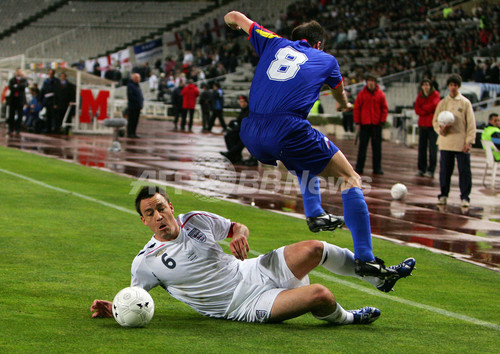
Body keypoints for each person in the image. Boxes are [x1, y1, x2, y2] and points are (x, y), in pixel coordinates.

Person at [224, 11, 406, 277]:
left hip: (251, 132)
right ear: (319, 44)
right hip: (287, 128)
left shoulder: (272, 41)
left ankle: (315, 213)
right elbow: (339, 92)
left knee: (301, 158)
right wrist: (345, 106)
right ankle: (366, 257)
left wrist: (230, 24)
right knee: (349, 177)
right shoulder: (326, 59)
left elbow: (235, 16)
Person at [90, 186, 415, 324]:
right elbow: (136, 299)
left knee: (316, 248)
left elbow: (237, 227)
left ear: (171, 207)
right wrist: (114, 308)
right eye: (150, 213)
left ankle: (376, 277)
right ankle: (349, 317)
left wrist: (241, 237)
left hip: (253, 270)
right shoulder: (145, 262)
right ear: (144, 221)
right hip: (241, 305)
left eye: (161, 208)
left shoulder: (196, 220)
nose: (159, 216)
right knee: (320, 295)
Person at [432, 74, 476, 207]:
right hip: (446, 142)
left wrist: (469, 141)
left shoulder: (465, 103)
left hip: (460, 143)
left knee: (464, 172)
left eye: (455, 85)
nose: (453, 88)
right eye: (451, 85)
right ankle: (443, 195)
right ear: (448, 86)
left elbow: (471, 124)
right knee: (445, 171)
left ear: (459, 87)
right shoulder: (443, 103)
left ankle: (465, 197)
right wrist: (441, 130)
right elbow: (435, 121)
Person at [353, 74, 388, 175]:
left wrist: (382, 121)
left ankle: (377, 168)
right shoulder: (361, 94)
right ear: (366, 82)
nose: (371, 83)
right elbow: (357, 109)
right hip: (364, 124)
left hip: (376, 125)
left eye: (373, 81)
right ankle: (359, 167)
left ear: (375, 82)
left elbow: (384, 109)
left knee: (377, 148)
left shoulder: (381, 95)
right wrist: (357, 122)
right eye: (369, 81)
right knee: (362, 147)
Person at [414, 78, 441, 178]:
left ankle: (431, 169)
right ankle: (421, 168)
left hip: (432, 126)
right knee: (422, 148)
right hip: (422, 125)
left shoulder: (436, 95)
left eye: (428, 85)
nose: (426, 87)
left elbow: (434, 105)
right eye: (424, 84)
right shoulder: (420, 96)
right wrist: (426, 110)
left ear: (431, 86)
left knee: (433, 148)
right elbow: (417, 109)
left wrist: (423, 108)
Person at [220, 95, 251, 164]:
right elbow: (239, 120)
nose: (241, 104)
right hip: (241, 131)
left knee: (239, 140)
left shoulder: (249, 111)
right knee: (228, 136)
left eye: (243, 102)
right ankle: (232, 155)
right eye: (240, 102)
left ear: (246, 102)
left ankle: (231, 154)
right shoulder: (243, 110)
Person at [7, 68, 28, 136]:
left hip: (20, 100)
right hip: (13, 100)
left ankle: (18, 129)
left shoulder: (24, 80)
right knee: (11, 115)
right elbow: (11, 87)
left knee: (20, 116)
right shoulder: (12, 80)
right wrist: (17, 87)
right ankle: (10, 129)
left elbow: (24, 85)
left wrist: (17, 86)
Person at [40, 69, 60, 134]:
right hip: (47, 101)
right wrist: (40, 99)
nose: (50, 75)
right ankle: (48, 128)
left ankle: (55, 128)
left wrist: (56, 102)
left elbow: (57, 92)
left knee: (54, 116)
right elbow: (43, 90)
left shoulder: (56, 81)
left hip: (53, 100)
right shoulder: (46, 81)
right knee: (48, 115)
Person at [127, 73, 144, 138]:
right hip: (133, 106)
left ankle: (134, 132)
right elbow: (130, 96)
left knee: (135, 121)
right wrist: (136, 101)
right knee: (131, 120)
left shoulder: (137, 86)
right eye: (137, 78)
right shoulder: (130, 85)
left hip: (137, 106)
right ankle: (130, 133)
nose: (139, 79)